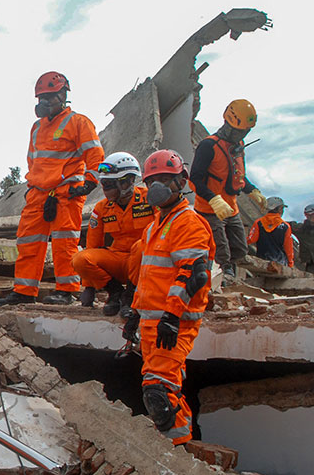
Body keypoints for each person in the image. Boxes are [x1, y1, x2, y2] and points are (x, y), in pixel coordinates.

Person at [123, 150, 214, 446]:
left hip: (174, 324)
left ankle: (179, 450)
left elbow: (194, 274)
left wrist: (172, 316)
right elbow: (148, 278)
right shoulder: (155, 226)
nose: (157, 187)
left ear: (182, 181)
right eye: (152, 182)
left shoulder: (188, 222)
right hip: (154, 325)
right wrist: (135, 314)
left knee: (158, 392)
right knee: (163, 390)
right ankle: (178, 442)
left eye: (165, 179)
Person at [0, 71, 105, 305]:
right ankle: (24, 292)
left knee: (64, 242)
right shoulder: (36, 128)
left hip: (66, 192)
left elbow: (95, 153)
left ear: (63, 95)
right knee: (28, 242)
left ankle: (66, 290)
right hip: (38, 193)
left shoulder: (78, 122)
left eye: (49, 97)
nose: (44, 102)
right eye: (41, 98)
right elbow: (32, 160)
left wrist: (90, 181)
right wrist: (31, 184)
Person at [189, 99, 268, 279]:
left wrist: (252, 190)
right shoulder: (208, 147)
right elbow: (194, 179)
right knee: (221, 250)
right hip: (210, 210)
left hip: (231, 208)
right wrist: (213, 199)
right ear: (229, 124)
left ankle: (229, 274)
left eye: (246, 131)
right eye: (241, 131)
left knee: (240, 248)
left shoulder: (237, 146)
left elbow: (237, 174)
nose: (244, 134)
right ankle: (221, 278)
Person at [71, 152, 153, 316]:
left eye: (110, 184)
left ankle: (131, 297)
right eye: (104, 184)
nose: (106, 190)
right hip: (119, 260)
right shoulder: (102, 208)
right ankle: (115, 293)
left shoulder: (149, 200)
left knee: (141, 247)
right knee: (80, 259)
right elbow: (93, 245)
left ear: (127, 181)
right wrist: (89, 286)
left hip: (145, 262)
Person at [248, 197, 294, 267]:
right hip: (280, 263)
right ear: (279, 209)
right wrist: (290, 263)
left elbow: (251, 239)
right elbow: (288, 247)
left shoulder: (258, 223)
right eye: (282, 208)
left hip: (261, 262)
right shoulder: (285, 226)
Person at [294, 203, 314, 273]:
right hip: (310, 264)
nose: (310, 217)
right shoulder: (301, 229)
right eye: (308, 215)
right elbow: (285, 225)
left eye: (312, 215)